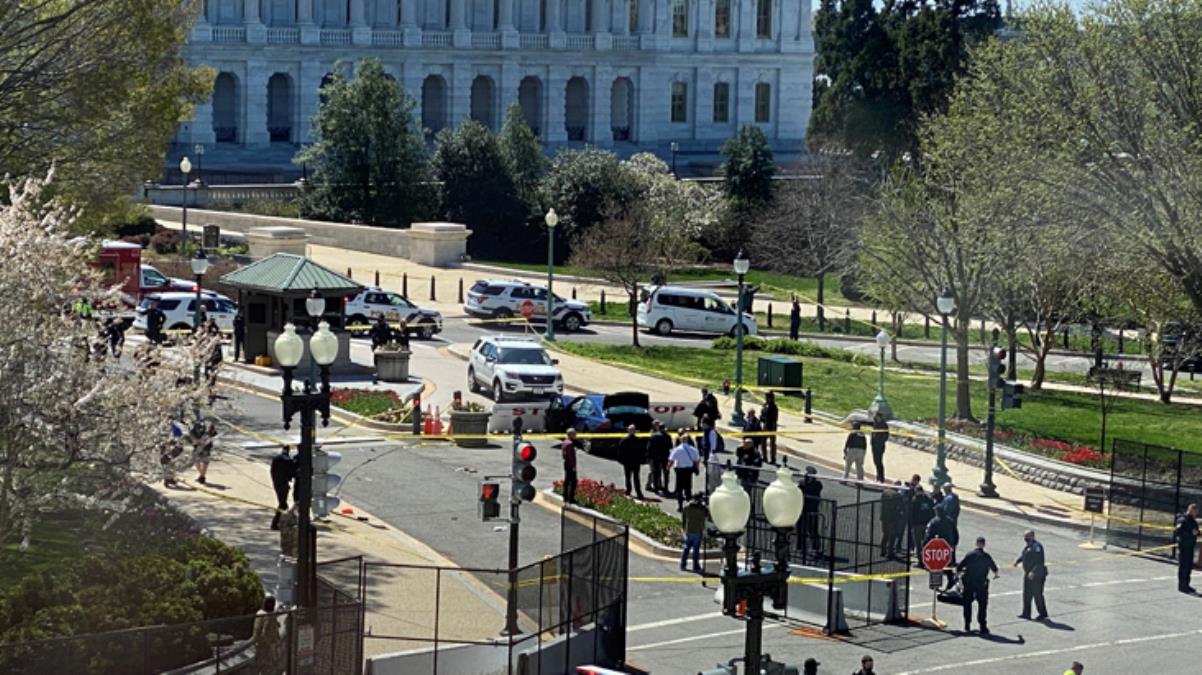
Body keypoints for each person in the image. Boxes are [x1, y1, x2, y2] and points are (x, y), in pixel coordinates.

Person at [955, 536, 999, 634]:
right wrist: (995, 575)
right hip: (981, 584)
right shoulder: (986, 556)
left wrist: (958, 577)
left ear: (976, 544)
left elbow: (959, 567)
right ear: (983, 545)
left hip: (969, 583)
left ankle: (967, 624)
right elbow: (994, 568)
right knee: (982, 605)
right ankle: (983, 626)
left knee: (967, 604)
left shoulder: (970, 555)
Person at [1014, 529, 1049, 620]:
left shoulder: (1037, 547)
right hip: (1028, 574)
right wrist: (1018, 561)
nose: (1026, 538)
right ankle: (1026, 613)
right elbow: (1024, 555)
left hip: (1037, 575)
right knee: (1027, 594)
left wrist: (1033, 571)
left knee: (1037, 594)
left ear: (1033, 536)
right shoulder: (1028, 546)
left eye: (1028, 536)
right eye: (1025, 536)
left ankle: (1042, 613)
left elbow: (1039, 561)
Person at [668, 433, 701, 510]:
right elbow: (697, 461)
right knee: (688, 488)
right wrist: (697, 468)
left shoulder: (677, 449)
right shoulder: (693, 449)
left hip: (680, 471)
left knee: (679, 489)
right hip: (688, 471)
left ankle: (680, 506)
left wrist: (667, 468)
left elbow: (671, 460)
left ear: (680, 440)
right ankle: (689, 505)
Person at [253, 595, 284, 675]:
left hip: (258, 645)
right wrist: (271, 645)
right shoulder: (269, 616)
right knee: (269, 668)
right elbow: (265, 632)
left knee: (260, 666)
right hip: (267, 646)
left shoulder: (259, 613)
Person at [797, 466, 824, 561]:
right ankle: (800, 547)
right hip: (802, 509)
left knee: (813, 529)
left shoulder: (817, 484)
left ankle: (815, 548)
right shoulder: (801, 483)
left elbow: (814, 491)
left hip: (812, 510)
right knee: (800, 528)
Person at [270, 445, 298, 531]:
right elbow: (292, 472)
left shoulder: (276, 459)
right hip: (283, 484)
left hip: (276, 483)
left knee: (283, 504)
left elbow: (272, 471)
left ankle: (281, 522)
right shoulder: (287, 460)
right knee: (283, 504)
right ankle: (275, 523)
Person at [1174, 503, 1199, 593]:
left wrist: (1198, 533)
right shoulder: (1183, 519)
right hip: (1184, 546)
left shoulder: (1192, 521)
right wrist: (1189, 534)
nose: (1196, 514)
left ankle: (1187, 584)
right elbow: (1178, 531)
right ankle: (1182, 586)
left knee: (1188, 567)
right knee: (1183, 567)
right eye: (1195, 511)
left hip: (1190, 546)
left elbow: (1195, 531)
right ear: (1191, 510)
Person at [618, 424, 646, 500]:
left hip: (628, 462)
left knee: (628, 477)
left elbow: (620, 452)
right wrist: (642, 460)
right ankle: (639, 493)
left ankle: (628, 490)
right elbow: (642, 451)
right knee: (636, 478)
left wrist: (621, 461)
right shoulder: (639, 440)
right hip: (636, 462)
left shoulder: (624, 440)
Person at [680, 495, 707, 573]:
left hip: (688, 531)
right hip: (698, 531)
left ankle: (683, 564)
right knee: (696, 550)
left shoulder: (687, 507)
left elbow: (683, 519)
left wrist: (684, 529)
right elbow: (707, 515)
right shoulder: (702, 509)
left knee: (686, 549)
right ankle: (696, 566)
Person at [646, 420, 673, 494]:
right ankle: (666, 488)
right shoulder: (667, 436)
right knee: (666, 472)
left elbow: (649, 447)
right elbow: (670, 446)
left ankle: (656, 488)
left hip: (655, 457)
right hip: (665, 456)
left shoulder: (654, 436)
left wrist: (649, 456)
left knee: (656, 473)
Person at [909, 482, 935, 559]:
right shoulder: (928, 499)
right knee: (926, 542)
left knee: (918, 543)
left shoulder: (915, 500)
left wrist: (911, 524)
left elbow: (911, 513)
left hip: (917, 525)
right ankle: (925, 557)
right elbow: (932, 511)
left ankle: (920, 558)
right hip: (927, 524)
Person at [879, 483, 905, 559]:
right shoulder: (897, 495)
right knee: (892, 535)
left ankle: (883, 550)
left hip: (884, 517)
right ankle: (890, 552)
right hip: (893, 518)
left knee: (885, 534)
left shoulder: (885, 492)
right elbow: (901, 506)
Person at [190, 417, 217, 484]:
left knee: (197, 461)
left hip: (198, 447)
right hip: (206, 447)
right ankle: (202, 476)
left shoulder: (195, 426)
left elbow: (192, 436)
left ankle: (202, 476)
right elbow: (214, 434)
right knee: (204, 462)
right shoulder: (209, 425)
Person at [561, 429, 579, 505]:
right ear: (571, 434)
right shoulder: (570, 444)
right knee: (573, 481)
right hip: (570, 464)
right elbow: (572, 457)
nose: (575, 435)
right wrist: (574, 466)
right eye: (574, 434)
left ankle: (565, 496)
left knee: (567, 480)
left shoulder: (565, 442)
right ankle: (570, 498)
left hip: (566, 463)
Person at [870, 412, 889, 482]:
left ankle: (881, 477)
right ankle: (878, 476)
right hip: (874, 446)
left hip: (879, 447)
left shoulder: (884, 425)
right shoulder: (875, 423)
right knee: (875, 461)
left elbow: (886, 436)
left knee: (879, 462)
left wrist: (879, 441)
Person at [761, 392, 779, 464]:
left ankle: (773, 458)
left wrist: (773, 428)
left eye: (767, 397)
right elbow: (762, 414)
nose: (766, 398)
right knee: (763, 442)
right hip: (765, 425)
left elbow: (774, 418)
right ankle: (764, 456)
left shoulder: (774, 407)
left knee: (772, 443)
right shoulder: (765, 405)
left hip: (771, 426)